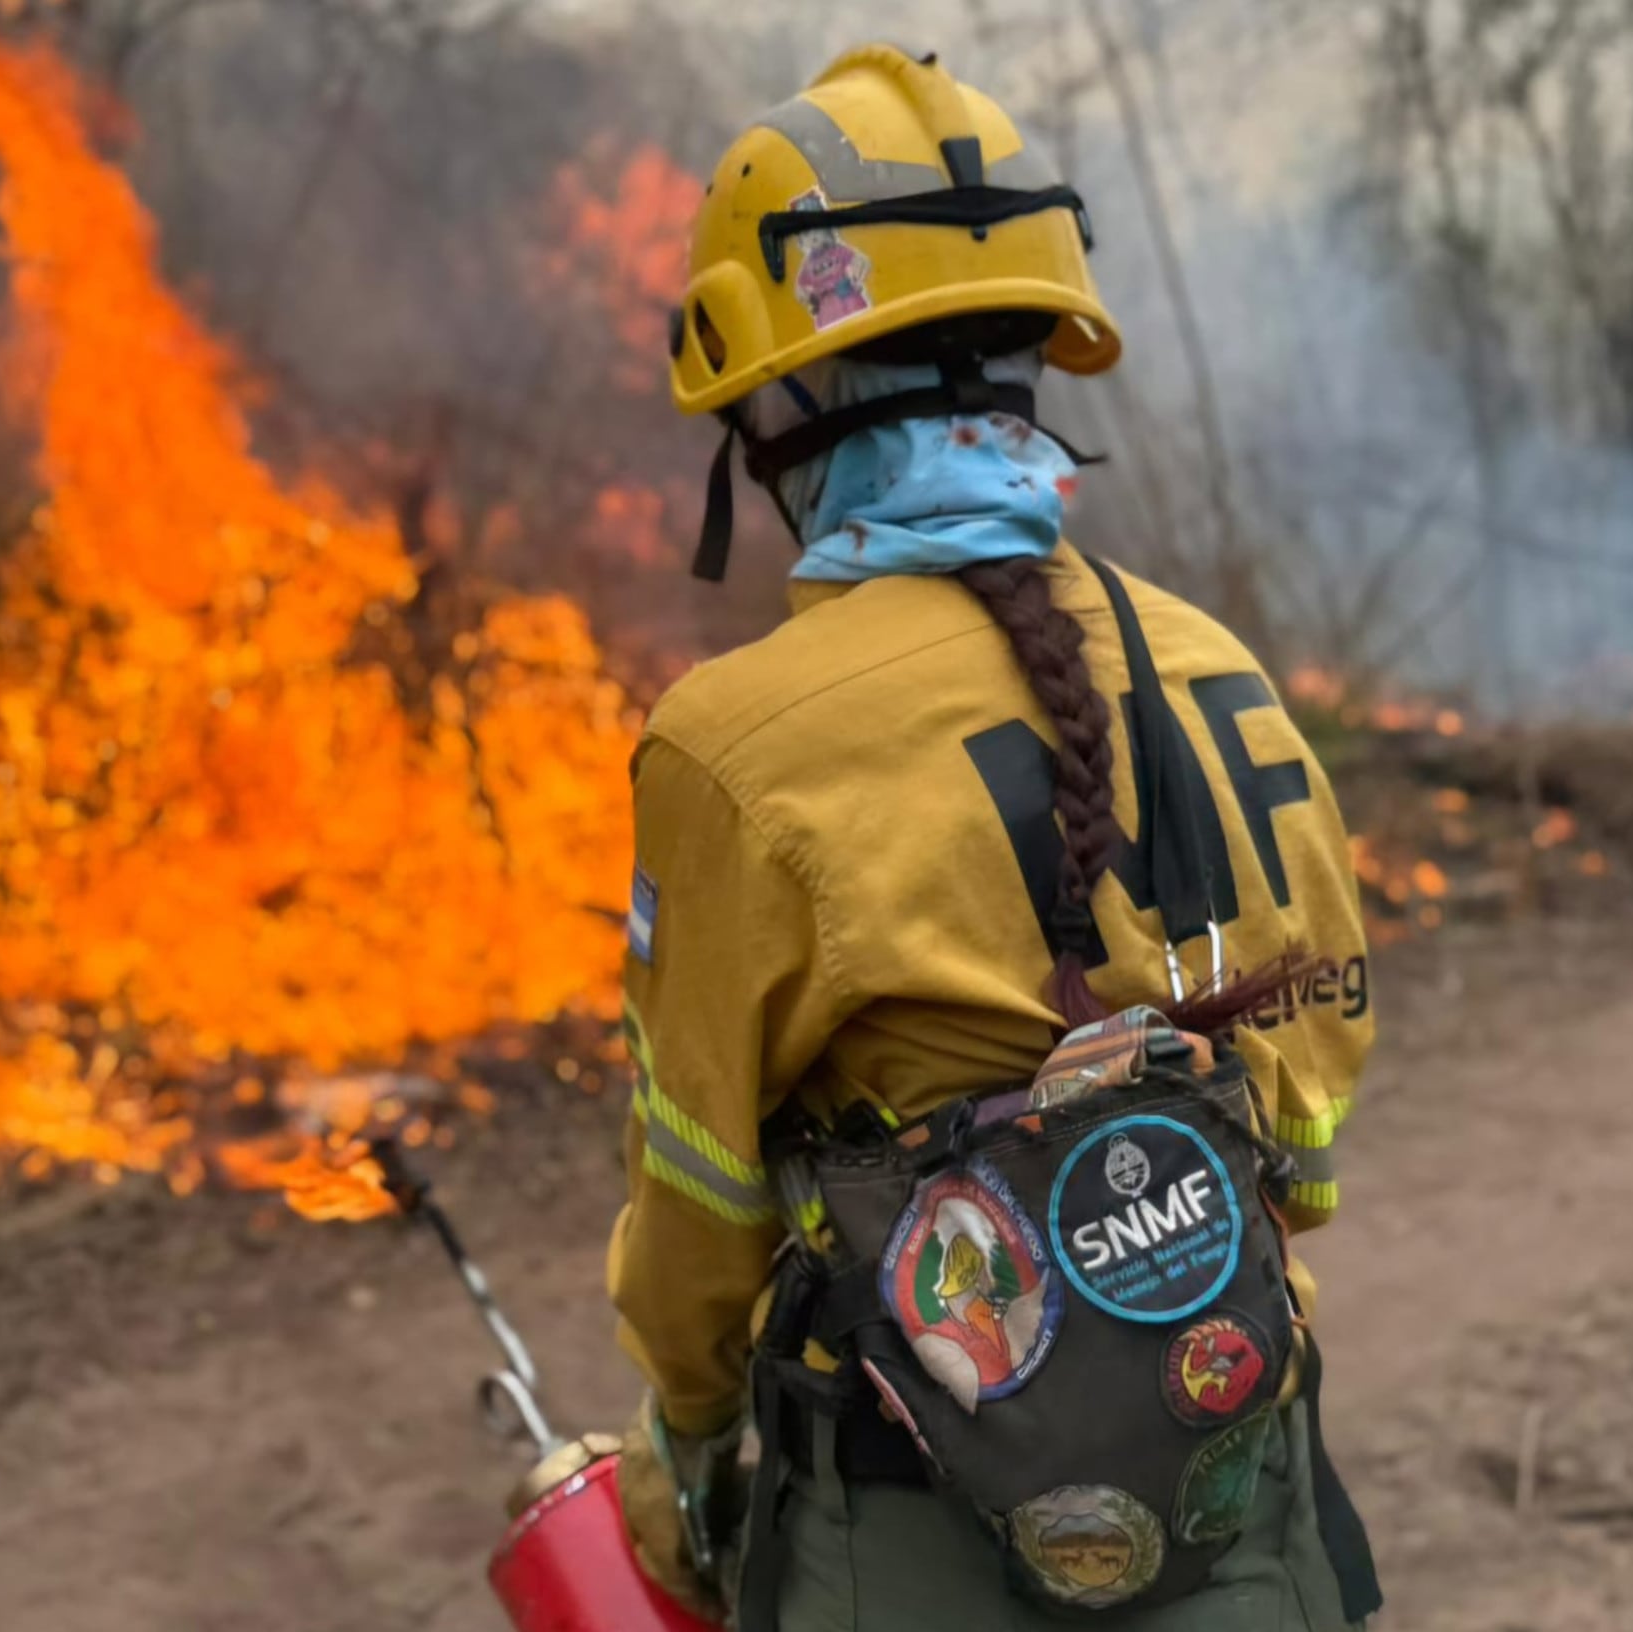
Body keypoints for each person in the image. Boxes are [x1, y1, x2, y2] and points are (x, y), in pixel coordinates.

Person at [607, 43, 1380, 1632]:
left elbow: (701, 1195)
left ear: (787, 405)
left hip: (916, 1549)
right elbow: (1303, 1138)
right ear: (1034, 364)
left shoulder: (733, 747)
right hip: (1245, 1505)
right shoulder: (1219, 670)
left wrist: (688, 1441)